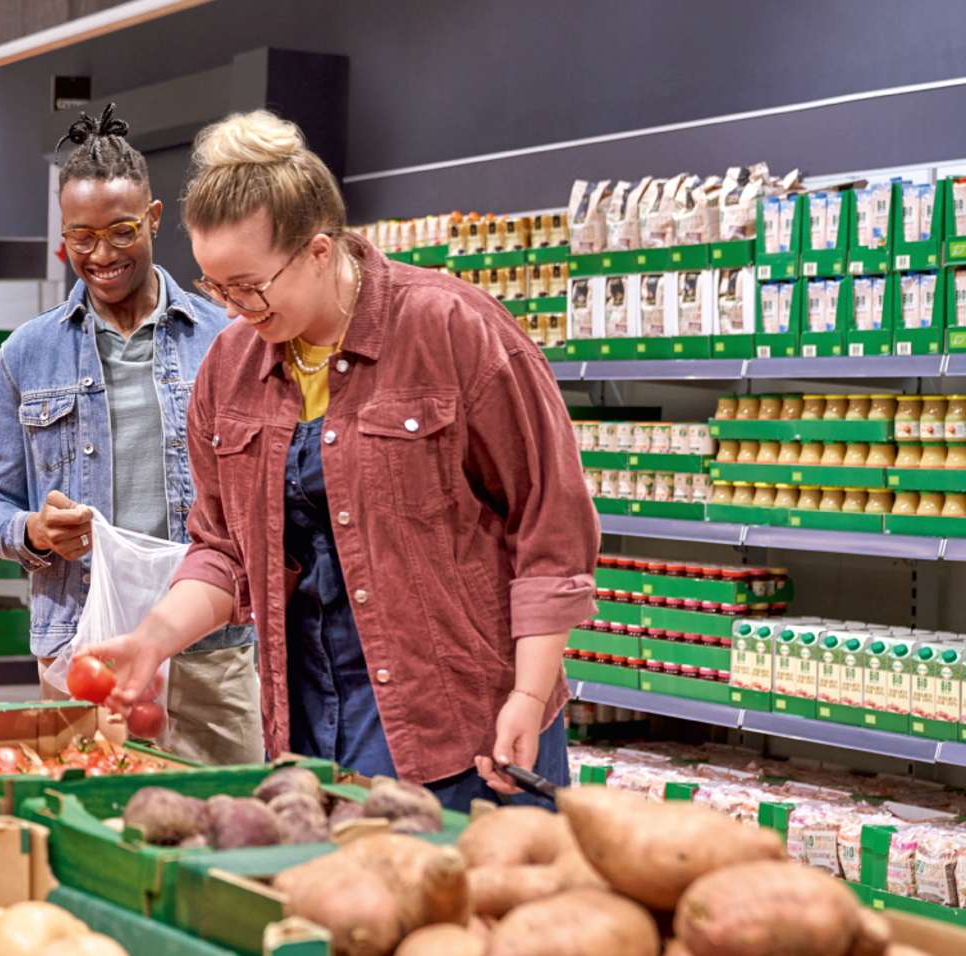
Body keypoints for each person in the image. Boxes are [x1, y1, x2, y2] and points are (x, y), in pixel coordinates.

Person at [86, 110, 598, 809]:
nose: (236, 310)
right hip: (308, 730)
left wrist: (530, 694)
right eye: (216, 288)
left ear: (320, 252)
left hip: (462, 727)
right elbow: (223, 553)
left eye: (250, 285)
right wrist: (153, 639)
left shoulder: (453, 330)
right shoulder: (230, 370)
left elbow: (552, 529)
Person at [0, 105, 264, 765]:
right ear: (64, 237)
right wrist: (35, 534)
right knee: (94, 825)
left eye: (122, 231)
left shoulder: (231, 341)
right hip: (83, 649)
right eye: (82, 237)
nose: (101, 255)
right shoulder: (27, 355)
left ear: (155, 220)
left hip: (209, 657)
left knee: (229, 828)